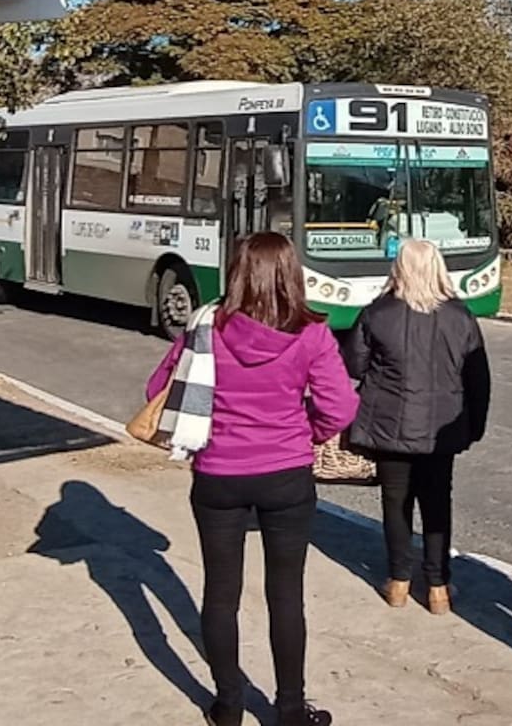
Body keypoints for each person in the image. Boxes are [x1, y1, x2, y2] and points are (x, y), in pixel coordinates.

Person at [145, 233, 358, 726]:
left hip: (218, 475)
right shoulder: (311, 333)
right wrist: (309, 432)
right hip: (286, 474)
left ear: (236, 271)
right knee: (286, 594)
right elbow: (341, 407)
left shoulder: (205, 327)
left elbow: (160, 390)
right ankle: (289, 708)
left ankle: (228, 704)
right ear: (291, 273)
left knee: (221, 592)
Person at [343, 239, 490, 615]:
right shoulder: (460, 316)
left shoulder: (378, 313)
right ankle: (438, 585)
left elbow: (353, 366)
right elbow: (478, 378)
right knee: (438, 503)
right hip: (442, 427)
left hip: (390, 426)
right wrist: (474, 425)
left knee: (396, 503)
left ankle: (399, 580)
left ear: (399, 268)